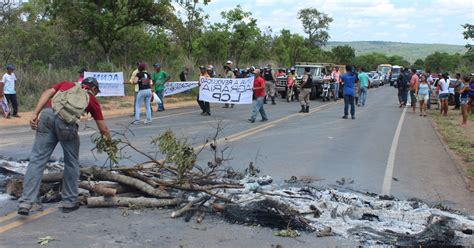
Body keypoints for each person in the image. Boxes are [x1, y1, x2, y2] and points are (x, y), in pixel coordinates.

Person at [18, 77, 111, 215]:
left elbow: (46, 93)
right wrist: (110, 145)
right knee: (71, 162)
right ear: (94, 89)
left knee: (37, 160)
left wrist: (35, 114)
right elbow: (103, 129)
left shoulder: (67, 84)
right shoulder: (91, 99)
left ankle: (26, 202)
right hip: (66, 125)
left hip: (47, 116)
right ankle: (69, 201)